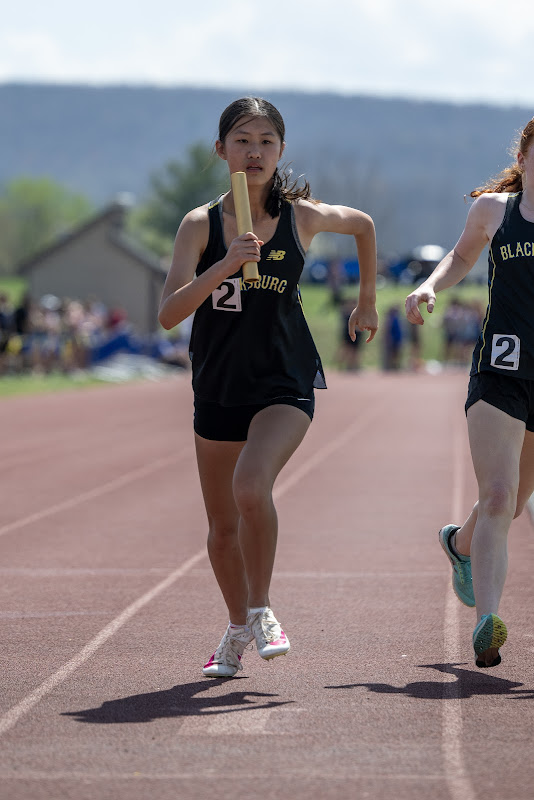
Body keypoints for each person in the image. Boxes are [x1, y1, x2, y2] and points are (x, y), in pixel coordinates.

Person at [159, 97, 378, 678]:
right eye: (242, 140)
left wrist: (366, 302)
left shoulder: (299, 216)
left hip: (285, 380)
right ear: (221, 150)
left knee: (251, 487)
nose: (254, 152)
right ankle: (236, 630)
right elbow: (168, 313)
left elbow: (364, 225)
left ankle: (263, 609)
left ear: (281, 152)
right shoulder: (200, 225)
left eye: (266, 142)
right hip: (218, 383)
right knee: (222, 527)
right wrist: (225, 264)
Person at [405, 117, 534, 669]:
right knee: (502, 496)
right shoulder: (494, 212)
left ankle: (459, 543)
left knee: (513, 501)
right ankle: (487, 623)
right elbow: (460, 258)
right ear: (523, 158)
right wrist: (429, 285)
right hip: (500, 373)